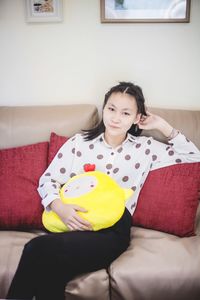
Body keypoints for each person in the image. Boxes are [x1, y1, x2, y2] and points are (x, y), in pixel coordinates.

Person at [7, 81, 200, 300]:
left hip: (113, 229)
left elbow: (194, 158)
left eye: (126, 113)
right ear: (104, 109)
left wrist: (163, 126)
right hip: (75, 223)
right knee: (50, 275)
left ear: (137, 118)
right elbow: (48, 180)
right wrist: (58, 206)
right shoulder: (79, 143)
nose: (116, 118)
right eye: (111, 109)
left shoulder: (146, 148)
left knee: (36, 249)